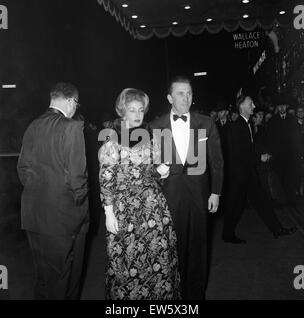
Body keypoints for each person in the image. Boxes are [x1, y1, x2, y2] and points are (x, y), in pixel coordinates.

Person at [98, 88, 180, 300]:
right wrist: (109, 212)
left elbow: (151, 171)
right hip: (125, 211)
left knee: (158, 261)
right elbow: (107, 178)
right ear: (122, 111)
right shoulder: (112, 140)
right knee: (128, 264)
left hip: (153, 209)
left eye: (141, 110)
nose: (137, 114)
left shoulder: (150, 138)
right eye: (131, 109)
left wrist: (160, 171)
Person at [150, 76, 224, 300]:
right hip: (170, 194)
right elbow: (147, 164)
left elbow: (217, 161)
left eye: (189, 93)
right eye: (181, 93)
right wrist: (157, 169)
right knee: (174, 246)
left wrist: (216, 192)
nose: (186, 97)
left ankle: (196, 296)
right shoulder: (155, 126)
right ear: (170, 97)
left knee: (199, 246)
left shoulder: (206, 122)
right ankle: (175, 294)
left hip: (200, 193)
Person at [17, 83, 89, 299]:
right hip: (63, 220)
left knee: (42, 279)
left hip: (33, 217)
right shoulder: (71, 127)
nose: (75, 109)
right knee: (64, 283)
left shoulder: (32, 125)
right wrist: (81, 211)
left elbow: (22, 169)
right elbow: (78, 179)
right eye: (76, 104)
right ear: (70, 101)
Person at [222, 89, 296, 244]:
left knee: (261, 202)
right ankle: (227, 234)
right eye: (251, 103)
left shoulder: (245, 124)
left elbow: (247, 149)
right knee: (236, 205)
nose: (254, 106)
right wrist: (259, 157)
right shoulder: (238, 126)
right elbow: (239, 153)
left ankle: (277, 229)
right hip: (240, 175)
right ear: (241, 106)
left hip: (247, 173)